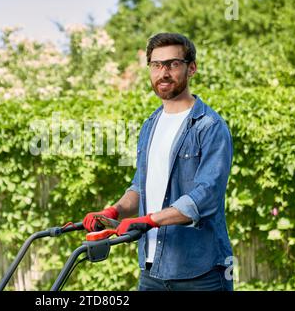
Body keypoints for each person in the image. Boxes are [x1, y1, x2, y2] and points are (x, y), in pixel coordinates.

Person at [83, 33, 234, 291]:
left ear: (192, 68)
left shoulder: (210, 127)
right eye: (156, 65)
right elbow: (140, 187)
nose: (163, 72)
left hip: (200, 273)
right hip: (152, 271)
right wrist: (113, 212)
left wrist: (149, 220)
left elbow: (205, 196)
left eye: (173, 64)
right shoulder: (150, 126)